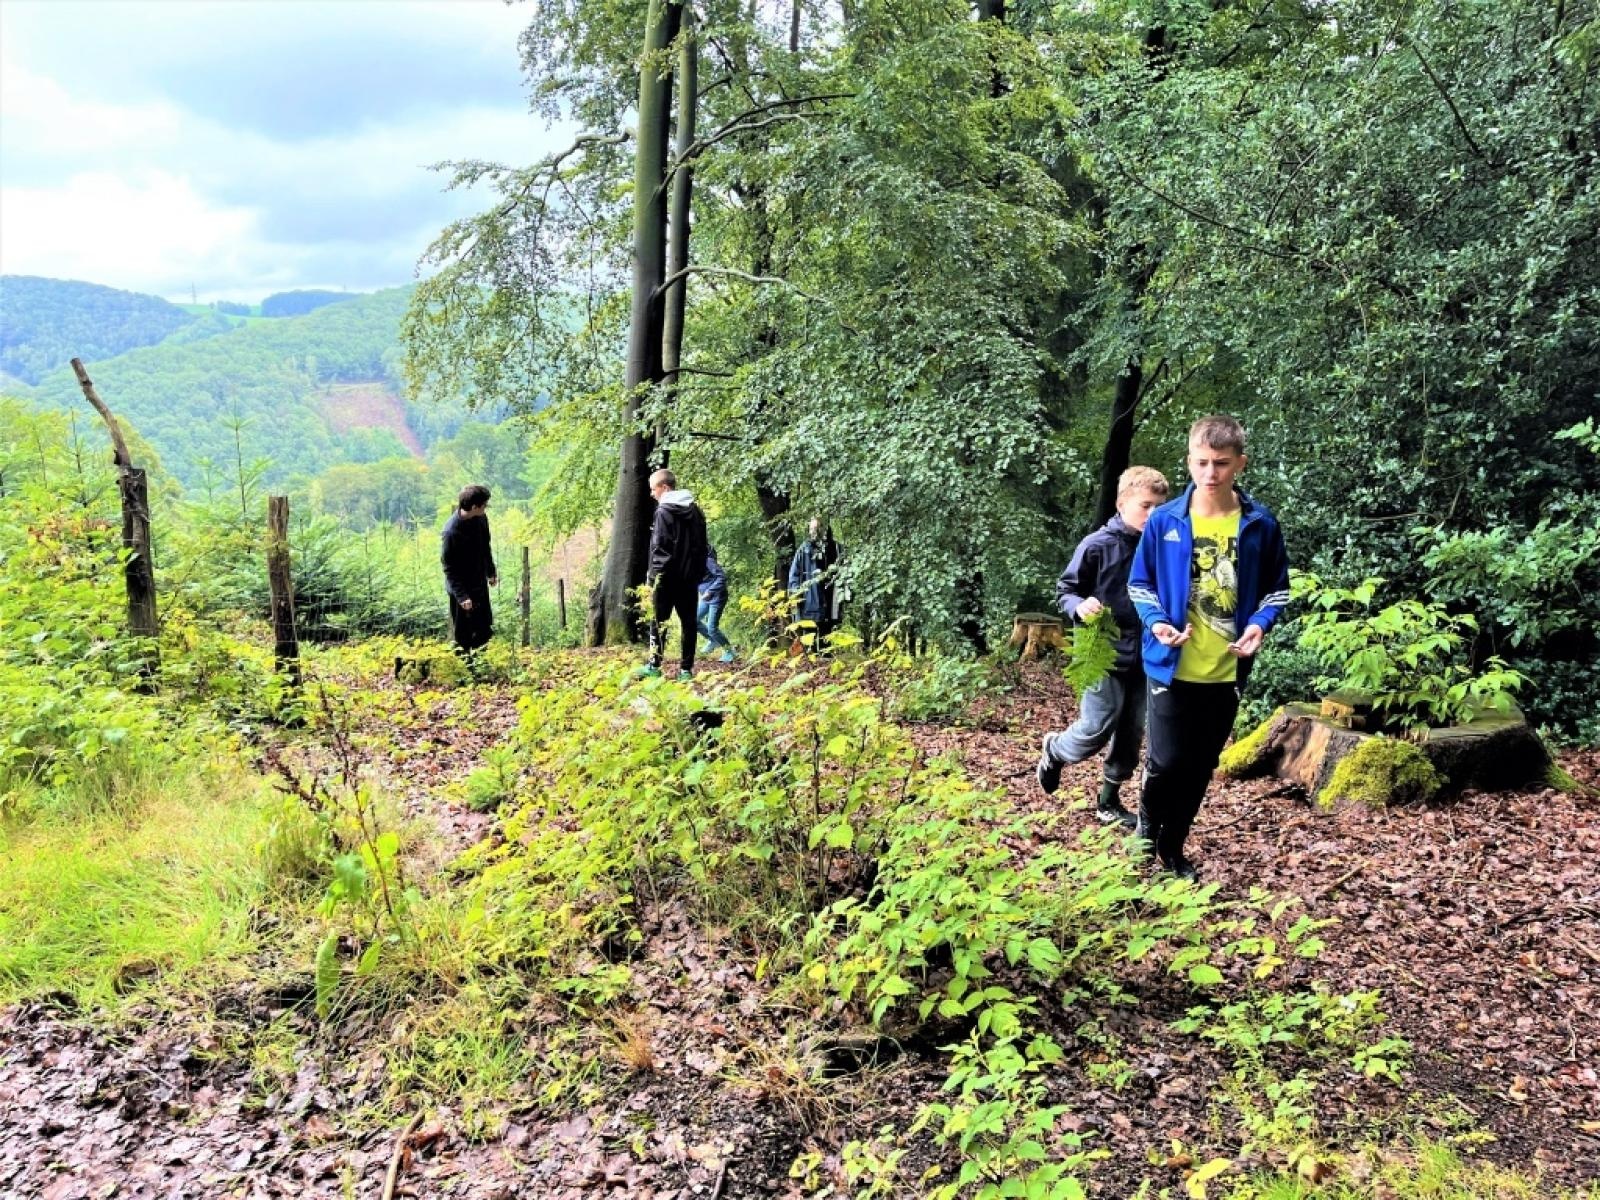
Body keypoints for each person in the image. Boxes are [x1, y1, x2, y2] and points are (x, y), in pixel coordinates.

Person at [1127, 415, 1290, 880]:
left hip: (1226, 669)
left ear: (1240, 463)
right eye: (1201, 462)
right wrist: (1158, 623)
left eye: (1221, 463)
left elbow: (1277, 589)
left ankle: (1173, 847)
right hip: (1170, 664)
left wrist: (1259, 624)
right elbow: (1140, 583)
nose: (1210, 473)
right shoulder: (1165, 520)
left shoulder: (1260, 524)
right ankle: (1145, 836)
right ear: (1189, 461)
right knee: (1166, 762)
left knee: (1200, 766)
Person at [1036, 466, 1171, 826]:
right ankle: (1055, 750)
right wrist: (1079, 606)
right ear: (1122, 503)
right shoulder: (1097, 545)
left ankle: (1108, 801)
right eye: (1146, 505)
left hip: (1145, 653)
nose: (1153, 514)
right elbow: (1066, 590)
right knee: (1097, 726)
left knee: (1131, 733)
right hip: (1101, 650)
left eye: (1160, 506)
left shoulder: (1161, 548)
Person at [642, 468, 709, 679]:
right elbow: (703, 547)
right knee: (689, 623)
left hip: (667, 580)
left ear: (664, 487)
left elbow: (660, 549)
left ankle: (654, 666)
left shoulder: (663, 512)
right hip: (689, 580)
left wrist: (653, 579)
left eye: (653, 489)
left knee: (658, 622)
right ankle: (686, 670)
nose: (652, 493)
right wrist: (697, 574)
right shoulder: (695, 511)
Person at [441, 484, 497, 655]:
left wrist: (490, 571)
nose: (486, 507)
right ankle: (465, 667)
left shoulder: (481, 519)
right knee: (463, 635)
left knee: (484, 629)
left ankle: (481, 665)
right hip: (461, 588)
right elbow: (448, 567)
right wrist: (462, 596)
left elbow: (485, 546)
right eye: (484, 504)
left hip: (479, 582)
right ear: (474, 507)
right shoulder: (451, 532)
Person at [788, 517, 843, 640]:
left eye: (817, 528)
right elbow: (793, 579)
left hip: (831, 607)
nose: (814, 532)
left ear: (824, 529)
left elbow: (846, 575)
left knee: (827, 642)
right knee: (809, 643)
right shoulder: (803, 551)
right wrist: (795, 605)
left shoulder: (836, 549)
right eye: (812, 529)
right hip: (809, 608)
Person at [697, 545, 735, 663]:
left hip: (717, 597)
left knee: (712, 628)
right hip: (706, 598)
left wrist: (710, 591)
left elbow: (722, 577)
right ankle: (713, 641)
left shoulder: (708, 560)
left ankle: (730, 651)